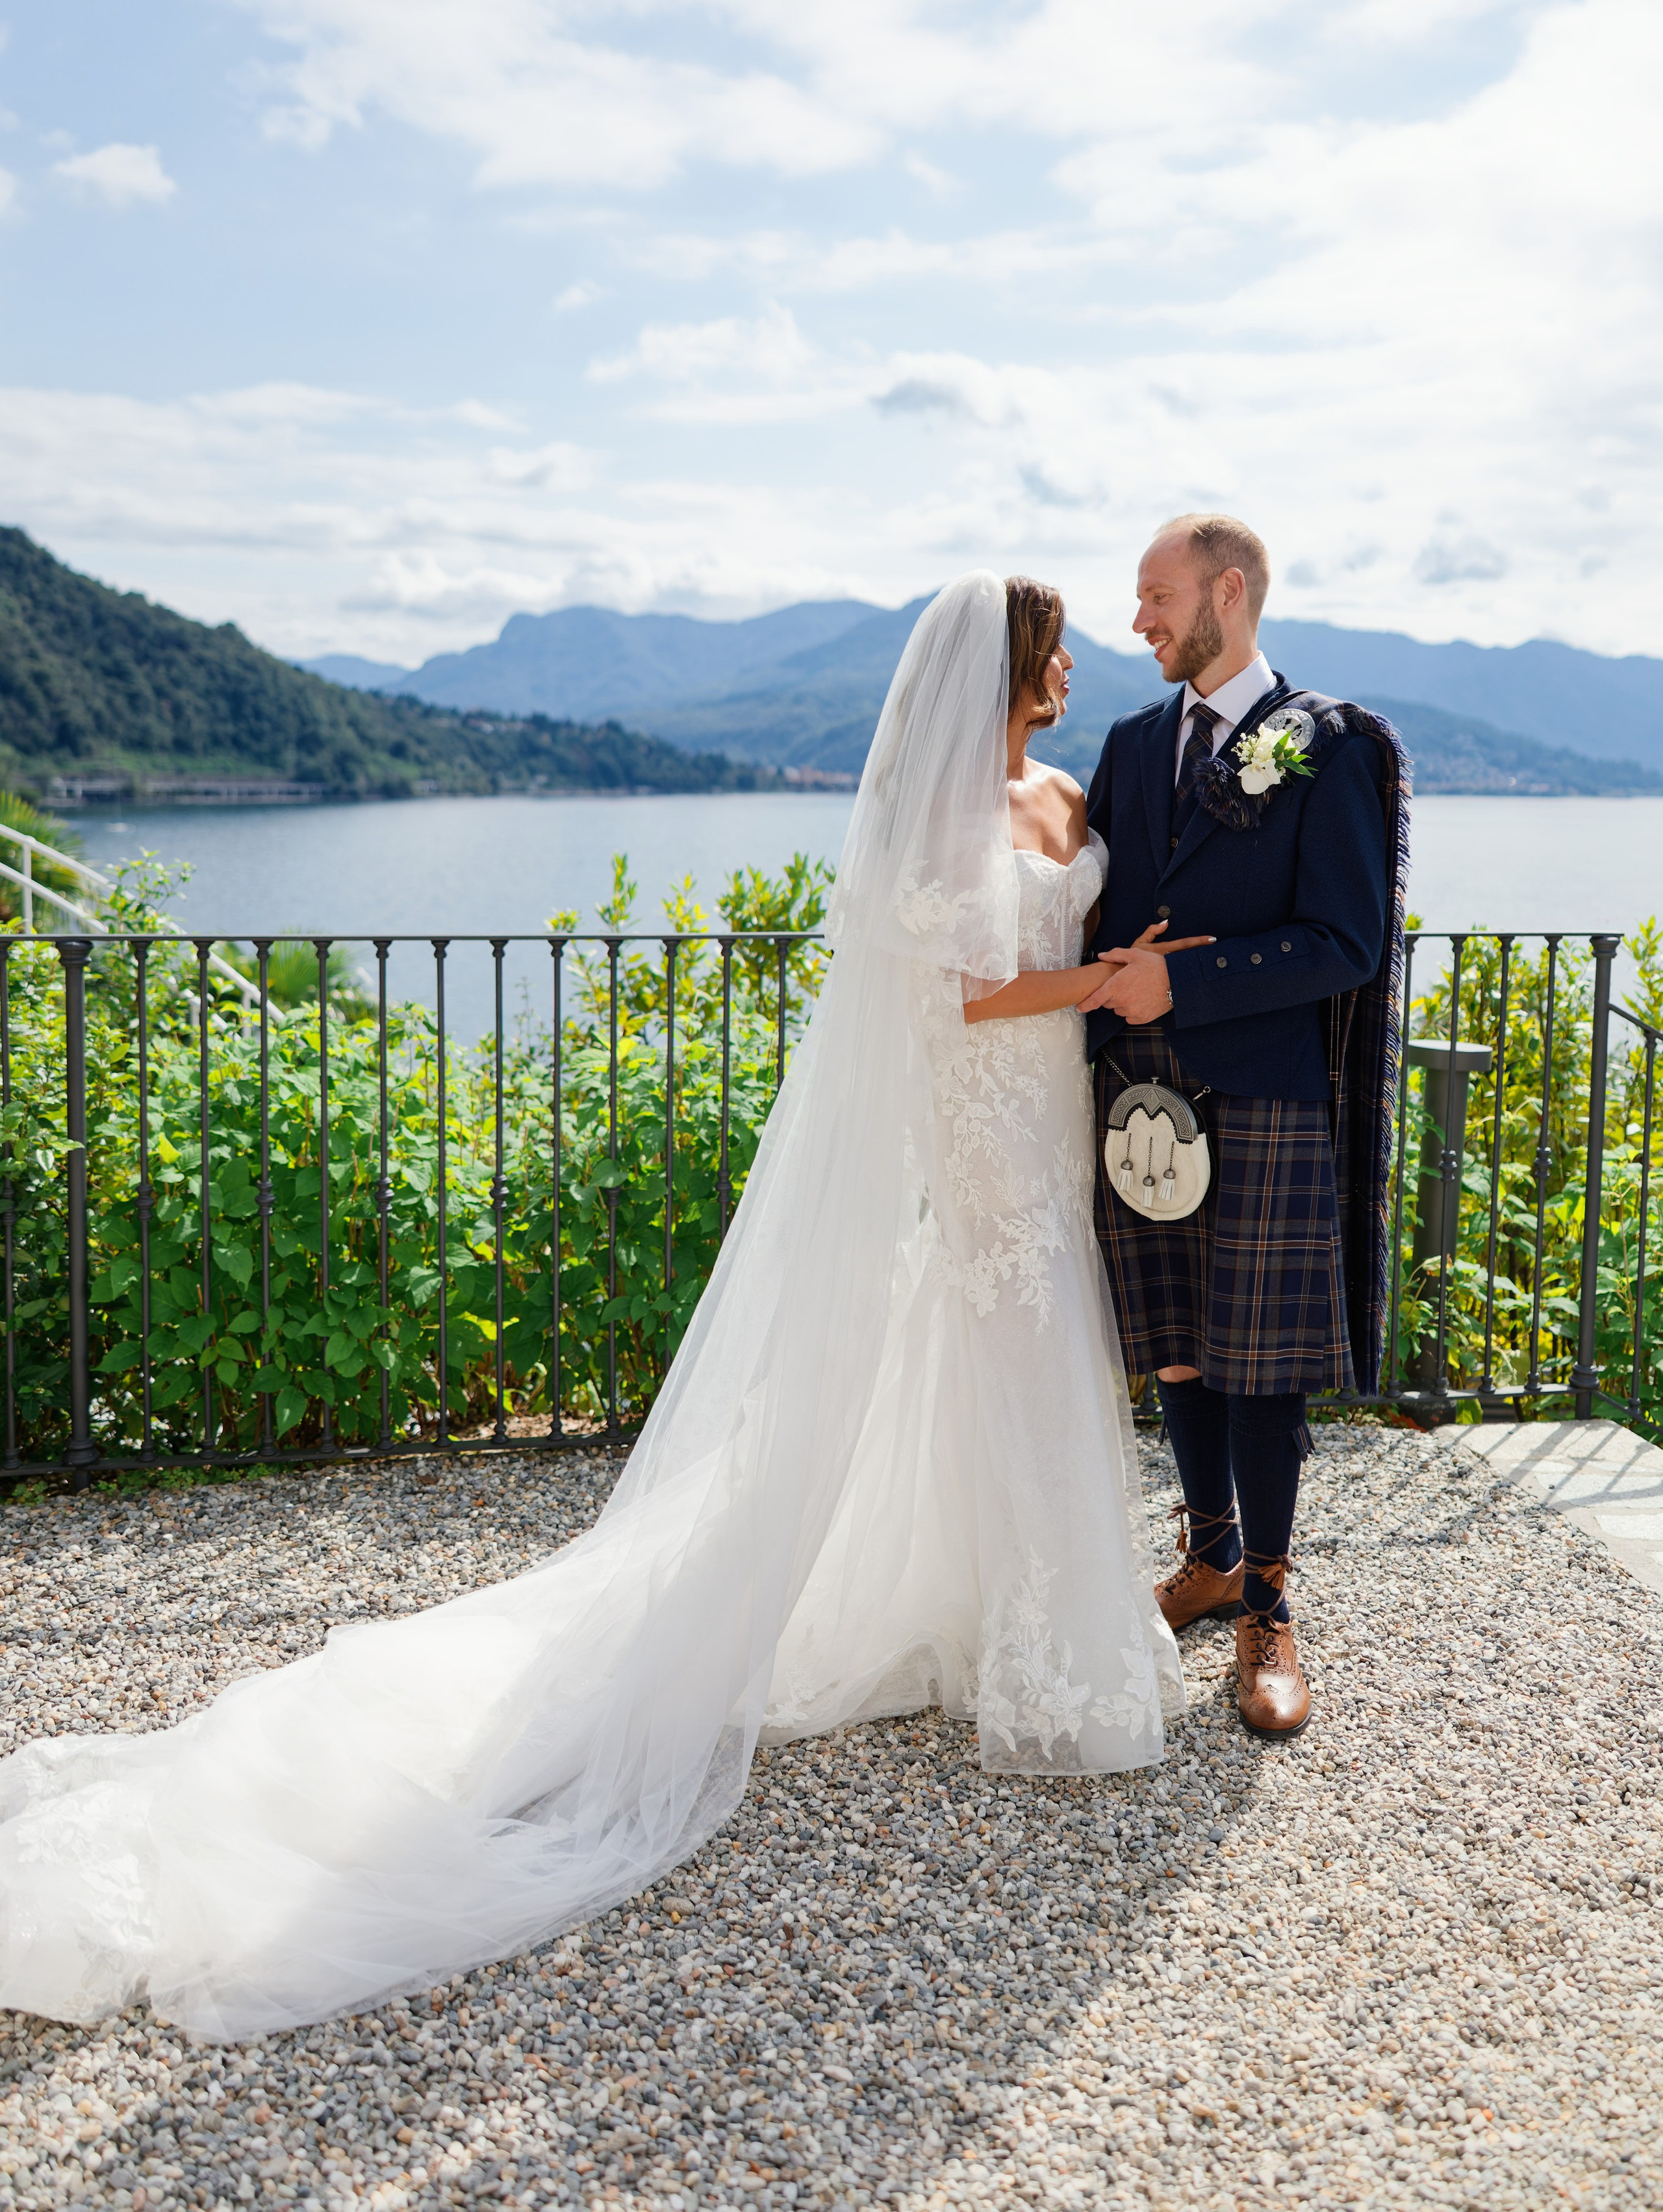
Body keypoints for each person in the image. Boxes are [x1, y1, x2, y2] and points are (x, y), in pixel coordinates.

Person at [0, 571, 1195, 2042]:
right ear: (1002, 668)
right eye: (1051, 647)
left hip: (1055, 1122)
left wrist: (1117, 981)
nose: (1069, 666)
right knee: (1004, 1340)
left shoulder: (1067, 790)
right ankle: (1049, 1662)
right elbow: (948, 999)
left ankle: (1000, 1612)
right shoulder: (939, 817)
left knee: (1011, 1356)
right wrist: (1100, 983)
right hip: (985, 1126)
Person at [1083, 514, 1408, 1741]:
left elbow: (1347, 942)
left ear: (1229, 591)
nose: (1140, 619)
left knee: (1260, 1365)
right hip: (1137, 1099)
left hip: (1266, 1098)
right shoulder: (1125, 744)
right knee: (1174, 1342)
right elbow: (1100, 917)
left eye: (1157, 595)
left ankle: (1270, 1598)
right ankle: (1209, 1553)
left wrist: (1191, 984)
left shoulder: (1330, 745)